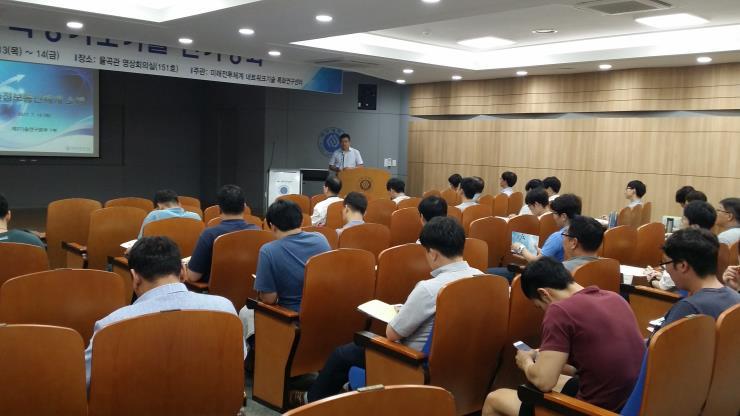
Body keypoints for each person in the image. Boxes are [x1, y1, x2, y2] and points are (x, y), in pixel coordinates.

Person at [296, 217, 482, 406]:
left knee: (341, 355)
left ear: (433, 254)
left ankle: (309, 401)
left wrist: (401, 315)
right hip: (462, 365)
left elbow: (393, 333)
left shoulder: (429, 289)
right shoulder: (483, 279)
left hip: (410, 362)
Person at [482, 257, 645, 416]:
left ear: (544, 294)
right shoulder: (615, 298)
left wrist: (525, 362)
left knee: (494, 399)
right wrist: (543, 356)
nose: (544, 311)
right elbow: (589, 361)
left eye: (539, 306)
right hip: (631, 404)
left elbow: (544, 382)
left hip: (594, 411)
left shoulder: (559, 311)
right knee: (553, 380)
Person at [84, 236, 244, 386]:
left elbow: (83, 380)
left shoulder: (110, 326)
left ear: (135, 277)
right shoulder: (225, 309)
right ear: (183, 271)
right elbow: (238, 357)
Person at [654, 228, 740, 330]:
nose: (667, 269)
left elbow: (661, 340)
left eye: (666, 263)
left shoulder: (688, 308)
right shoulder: (736, 298)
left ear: (682, 266)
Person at [254, 199, 332, 312]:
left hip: (291, 316)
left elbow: (269, 299)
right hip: (324, 311)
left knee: (245, 311)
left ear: (272, 226)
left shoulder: (268, 250)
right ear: (301, 221)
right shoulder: (321, 238)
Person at [185, 185, 259, 283]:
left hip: (214, 292)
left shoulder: (209, 235)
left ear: (219, 208)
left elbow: (193, 276)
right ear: (245, 207)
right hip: (250, 290)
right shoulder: (257, 231)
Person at [515, 194, 582, 263]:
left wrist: (520, 248)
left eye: (554, 213)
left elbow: (536, 261)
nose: (553, 217)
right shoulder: (582, 231)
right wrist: (544, 252)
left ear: (563, 217)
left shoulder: (558, 237)